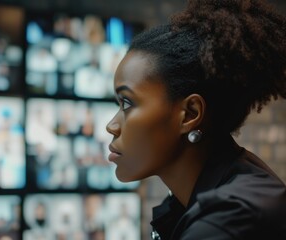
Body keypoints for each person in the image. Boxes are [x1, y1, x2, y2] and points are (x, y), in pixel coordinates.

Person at [106, 0, 286, 239]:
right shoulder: (208, 195)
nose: (111, 126)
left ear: (190, 114)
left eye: (127, 103)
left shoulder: (229, 223)